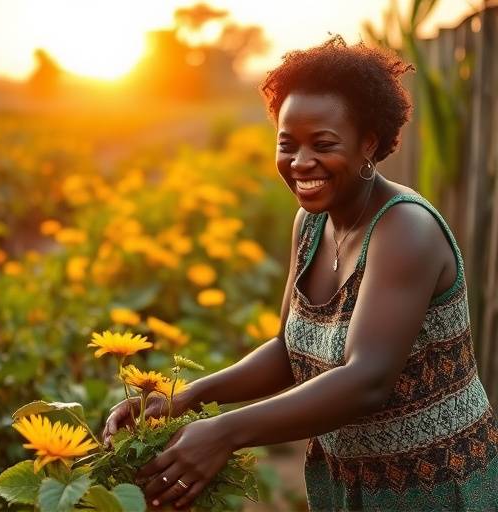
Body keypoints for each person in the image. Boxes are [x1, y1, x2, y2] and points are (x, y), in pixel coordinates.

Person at [103, 36, 498, 511]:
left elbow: (368, 378)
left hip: (435, 486)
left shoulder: (404, 229)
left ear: (368, 143)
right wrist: (187, 396)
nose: (300, 162)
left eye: (323, 144)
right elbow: (288, 352)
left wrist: (224, 432)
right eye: (287, 144)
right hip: (348, 481)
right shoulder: (312, 221)